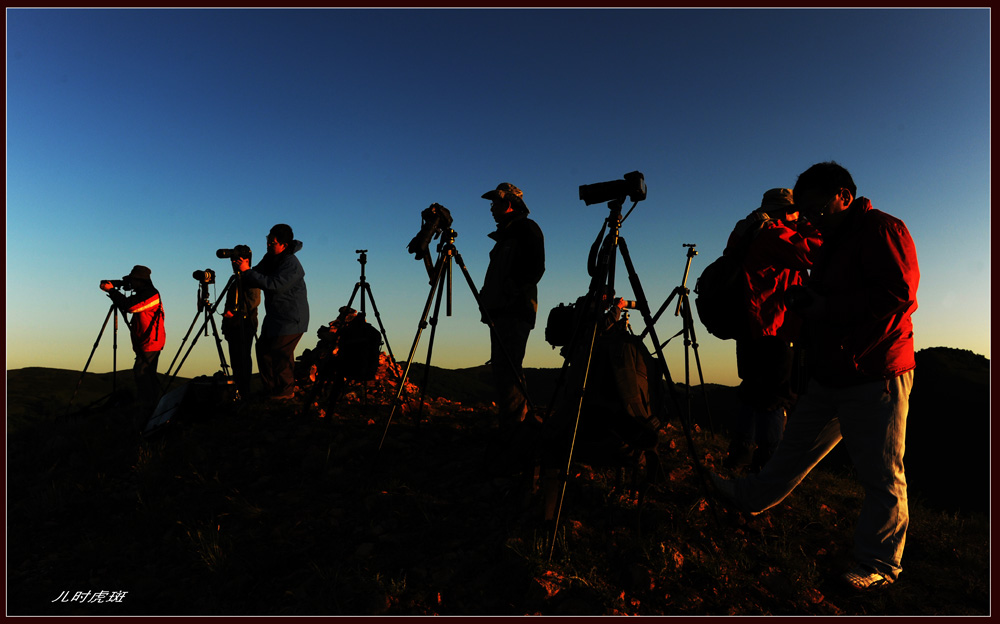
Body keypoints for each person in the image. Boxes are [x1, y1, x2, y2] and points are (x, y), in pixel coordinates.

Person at [712, 162, 920, 592]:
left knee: (882, 472)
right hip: (833, 370)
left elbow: (899, 295)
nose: (808, 216)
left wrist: (826, 309)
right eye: (803, 211)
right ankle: (748, 498)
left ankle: (880, 562)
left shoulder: (883, 229)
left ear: (843, 194)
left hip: (876, 368)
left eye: (814, 207)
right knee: (794, 449)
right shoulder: (831, 237)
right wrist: (810, 301)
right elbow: (830, 290)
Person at [724, 188, 823, 473]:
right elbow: (813, 253)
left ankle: (741, 450)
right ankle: (771, 460)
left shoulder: (750, 230)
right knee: (776, 395)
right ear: (786, 211)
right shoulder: (774, 233)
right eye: (797, 211)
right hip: (773, 325)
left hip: (751, 323)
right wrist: (807, 225)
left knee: (753, 388)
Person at [479, 182, 545, 430]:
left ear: (507, 204)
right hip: (502, 310)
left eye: (494, 203)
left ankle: (515, 429)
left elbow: (535, 268)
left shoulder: (526, 229)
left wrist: (511, 291)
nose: (491, 208)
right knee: (505, 368)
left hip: (514, 310)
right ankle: (517, 424)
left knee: (508, 369)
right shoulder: (508, 234)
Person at [237, 224, 309, 401]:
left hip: (291, 318)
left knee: (280, 354)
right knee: (263, 350)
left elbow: (275, 285)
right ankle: (271, 390)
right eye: (268, 240)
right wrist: (243, 270)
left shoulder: (291, 263)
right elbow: (256, 276)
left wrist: (247, 272)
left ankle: (285, 392)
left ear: (284, 244)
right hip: (275, 317)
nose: (269, 244)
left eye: (273, 242)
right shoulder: (270, 258)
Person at [99, 265, 166, 419]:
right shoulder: (144, 292)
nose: (131, 284)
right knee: (145, 374)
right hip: (146, 341)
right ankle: (148, 406)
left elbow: (130, 306)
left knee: (142, 373)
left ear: (140, 281)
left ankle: (147, 409)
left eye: (133, 281)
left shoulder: (151, 294)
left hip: (151, 341)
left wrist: (112, 291)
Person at [221, 245, 261, 398]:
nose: (233, 263)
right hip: (233, 326)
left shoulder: (251, 278)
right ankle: (239, 390)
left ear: (246, 260)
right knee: (236, 360)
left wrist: (236, 313)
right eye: (232, 260)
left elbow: (253, 301)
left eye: (236, 260)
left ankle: (244, 392)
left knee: (243, 359)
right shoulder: (235, 281)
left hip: (245, 325)